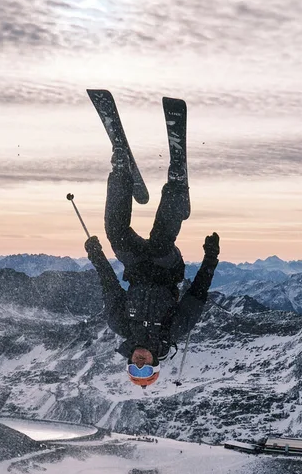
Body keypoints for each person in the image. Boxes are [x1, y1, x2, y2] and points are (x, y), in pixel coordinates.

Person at [84, 96, 220, 386]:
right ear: (155, 363)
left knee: (115, 234)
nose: (139, 365)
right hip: (166, 268)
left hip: (136, 267)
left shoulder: (120, 324)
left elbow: (109, 286)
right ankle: (176, 186)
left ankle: (120, 169)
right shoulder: (173, 331)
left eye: (134, 370)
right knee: (160, 242)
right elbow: (197, 294)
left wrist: (96, 256)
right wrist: (210, 258)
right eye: (146, 370)